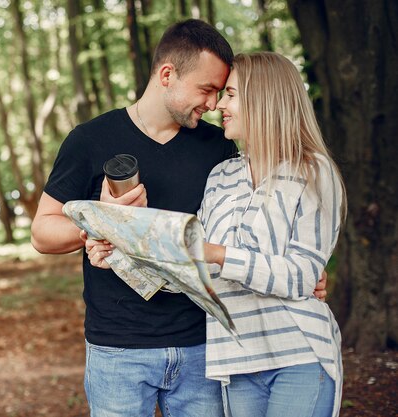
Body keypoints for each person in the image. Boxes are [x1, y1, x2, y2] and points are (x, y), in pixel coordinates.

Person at [31, 20, 326, 416]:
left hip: (204, 347)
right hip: (118, 350)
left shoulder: (219, 148)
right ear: (167, 74)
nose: (212, 104)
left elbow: (253, 225)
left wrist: (300, 267)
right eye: (206, 89)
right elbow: (42, 232)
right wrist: (101, 223)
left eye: (220, 93)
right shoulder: (89, 140)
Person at [198, 51, 345, 417]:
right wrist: (118, 244)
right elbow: (190, 262)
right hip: (235, 359)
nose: (219, 106)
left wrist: (217, 255)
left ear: (264, 97)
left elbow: (300, 276)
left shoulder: (314, 171)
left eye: (231, 94)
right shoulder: (220, 176)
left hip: (300, 354)